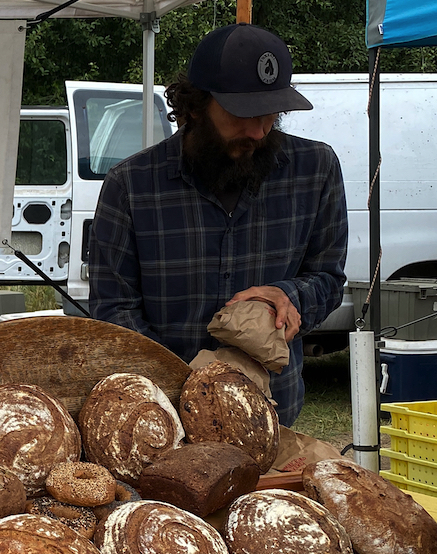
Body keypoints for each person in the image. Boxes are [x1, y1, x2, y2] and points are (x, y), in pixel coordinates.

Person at [87, 23, 348, 426]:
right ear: (194, 107)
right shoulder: (131, 186)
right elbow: (113, 308)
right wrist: (181, 384)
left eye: (270, 114)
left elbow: (328, 278)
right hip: (165, 419)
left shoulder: (315, 170)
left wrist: (287, 297)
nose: (258, 132)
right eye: (242, 115)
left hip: (271, 416)